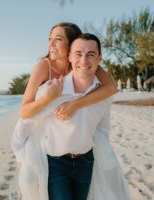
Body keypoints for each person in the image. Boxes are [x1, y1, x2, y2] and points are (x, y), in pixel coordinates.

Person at [12, 33, 130, 200]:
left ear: (99, 59)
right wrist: (21, 156)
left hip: (87, 163)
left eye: (91, 55)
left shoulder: (104, 95)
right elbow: (24, 123)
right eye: (78, 54)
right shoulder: (53, 91)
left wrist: (104, 155)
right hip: (56, 165)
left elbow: (103, 129)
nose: (83, 61)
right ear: (69, 57)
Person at [20, 22, 117, 121]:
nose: (50, 45)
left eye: (58, 39)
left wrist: (75, 105)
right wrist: (47, 97)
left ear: (72, 43)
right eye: (50, 39)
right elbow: (23, 112)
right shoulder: (43, 67)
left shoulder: (82, 64)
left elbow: (112, 88)